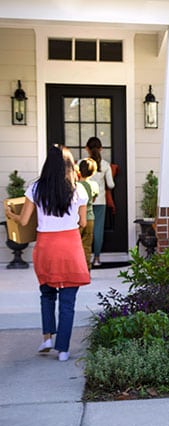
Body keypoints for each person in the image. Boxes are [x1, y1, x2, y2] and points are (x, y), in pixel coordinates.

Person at [4, 145, 90, 361]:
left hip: (46, 246)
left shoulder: (35, 189)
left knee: (47, 293)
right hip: (70, 246)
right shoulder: (79, 190)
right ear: (69, 165)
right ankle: (63, 350)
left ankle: (47, 338)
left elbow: (24, 221)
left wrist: (11, 215)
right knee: (68, 300)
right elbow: (83, 223)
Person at [86, 136, 115, 267]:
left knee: (84, 230)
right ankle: (97, 258)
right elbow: (111, 184)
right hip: (100, 201)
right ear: (101, 149)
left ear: (87, 149)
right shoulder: (105, 165)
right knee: (98, 230)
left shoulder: (82, 163)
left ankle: (84, 259)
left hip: (84, 201)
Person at [77, 158, 99, 270]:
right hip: (90, 217)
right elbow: (93, 199)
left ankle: (76, 269)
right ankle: (86, 270)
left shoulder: (75, 185)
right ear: (93, 171)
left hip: (77, 218)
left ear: (78, 170)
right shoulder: (94, 185)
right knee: (87, 246)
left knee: (75, 246)